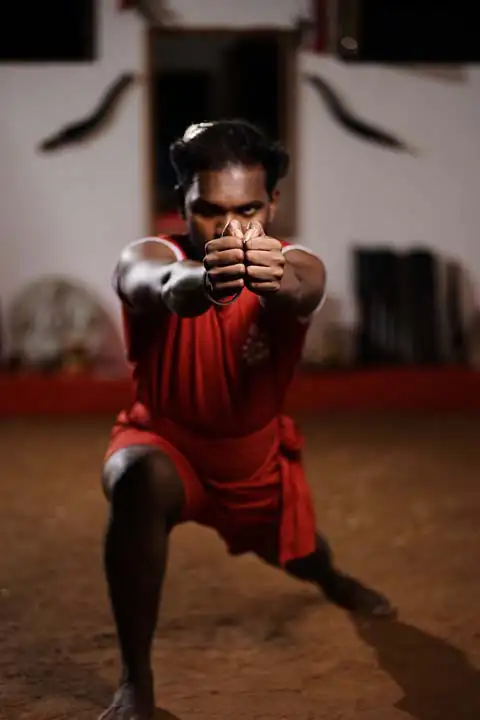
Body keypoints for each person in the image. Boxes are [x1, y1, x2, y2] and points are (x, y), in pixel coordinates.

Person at [99, 120, 394, 720]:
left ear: (273, 203)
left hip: (252, 464)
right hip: (166, 445)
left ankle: (331, 578)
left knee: (308, 555)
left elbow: (303, 287)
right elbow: (155, 282)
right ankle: (136, 683)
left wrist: (271, 277)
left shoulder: (295, 263)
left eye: (250, 209)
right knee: (137, 477)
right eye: (210, 211)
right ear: (181, 200)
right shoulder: (151, 254)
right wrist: (200, 280)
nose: (232, 228)